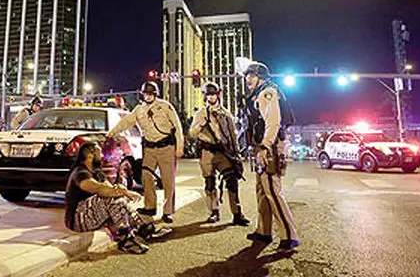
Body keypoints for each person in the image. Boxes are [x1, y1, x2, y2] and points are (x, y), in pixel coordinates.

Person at [236, 58, 300, 251]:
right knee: (262, 191)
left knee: (272, 190)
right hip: (261, 146)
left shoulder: (267, 93)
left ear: (261, 77)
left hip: (269, 146)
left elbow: (273, 122)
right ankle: (264, 231)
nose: (248, 79)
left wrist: (265, 147)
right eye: (247, 76)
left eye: (251, 75)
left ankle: (289, 236)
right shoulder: (258, 94)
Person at [107, 81, 184, 224]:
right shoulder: (139, 110)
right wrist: (111, 133)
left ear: (155, 94)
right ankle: (150, 206)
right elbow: (126, 122)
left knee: (168, 180)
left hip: (166, 147)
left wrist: (180, 146)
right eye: (145, 94)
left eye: (150, 94)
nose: (148, 96)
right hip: (149, 149)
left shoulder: (165, 106)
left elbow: (177, 126)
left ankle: (168, 211)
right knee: (146, 176)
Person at [65, 141, 153, 254]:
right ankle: (126, 240)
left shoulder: (96, 171)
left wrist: (121, 189)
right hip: (77, 220)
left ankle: (142, 227)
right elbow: (97, 188)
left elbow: (110, 188)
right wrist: (123, 192)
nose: (103, 156)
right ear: (90, 155)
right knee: (110, 197)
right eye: (100, 153)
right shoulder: (80, 172)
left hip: (92, 216)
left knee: (117, 198)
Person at [189, 82, 250, 226]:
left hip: (223, 152)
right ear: (205, 96)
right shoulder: (201, 113)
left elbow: (233, 135)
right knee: (210, 183)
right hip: (207, 152)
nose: (211, 97)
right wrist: (201, 124)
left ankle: (237, 213)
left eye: (213, 94)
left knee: (232, 181)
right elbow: (192, 133)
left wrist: (236, 154)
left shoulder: (225, 113)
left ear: (218, 95)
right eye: (208, 95)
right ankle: (214, 211)